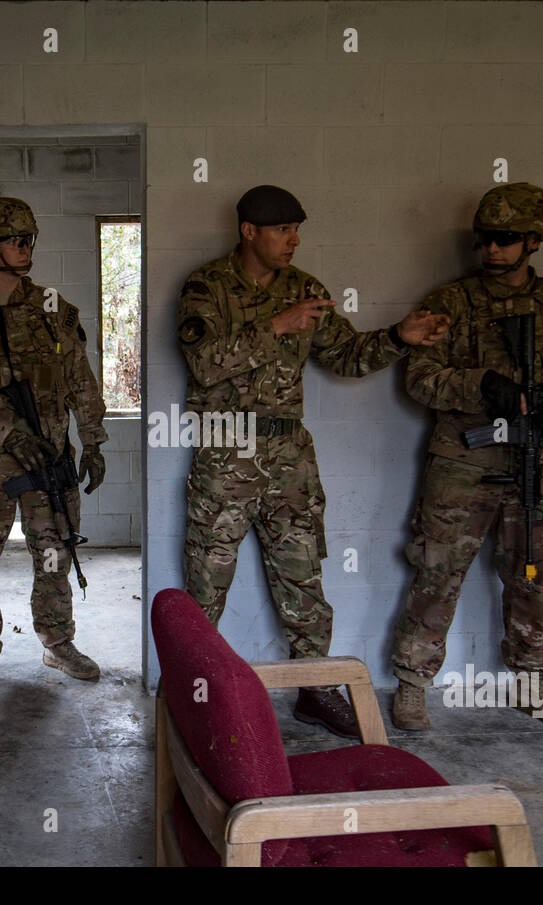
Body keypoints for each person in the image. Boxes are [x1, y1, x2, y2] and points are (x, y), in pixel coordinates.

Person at [177, 184, 449, 738]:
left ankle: (315, 691)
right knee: (207, 579)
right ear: (249, 231)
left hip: (289, 455)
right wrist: (276, 325)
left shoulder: (306, 290)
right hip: (225, 448)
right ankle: (194, 694)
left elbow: (346, 357)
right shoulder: (206, 287)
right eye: (282, 230)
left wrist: (400, 337)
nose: (294, 240)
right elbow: (205, 363)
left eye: (298, 230)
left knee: (303, 577)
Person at [388, 182, 543, 732]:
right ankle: (412, 685)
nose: (491, 249)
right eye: (484, 238)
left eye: (505, 239)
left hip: (534, 467)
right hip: (466, 463)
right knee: (438, 572)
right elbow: (419, 379)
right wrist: (481, 386)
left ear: (535, 240)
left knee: (533, 578)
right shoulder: (450, 304)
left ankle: (535, 690)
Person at [0, 197, 108, 698]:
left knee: (54, 552)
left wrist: (93, 439)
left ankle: (57, 641)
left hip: (49, 459)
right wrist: (5, 434)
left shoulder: (53, 307)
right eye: (14, 239)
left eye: (29, 238)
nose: (25, 247)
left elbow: (79, 378)